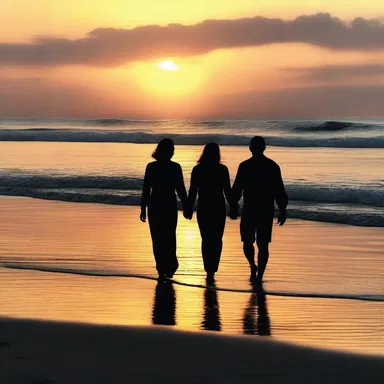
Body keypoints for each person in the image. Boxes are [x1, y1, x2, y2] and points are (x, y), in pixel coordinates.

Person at [230, 136, 288, 284]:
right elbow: (279, 190)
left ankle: (253, 268)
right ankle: (258, 273)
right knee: (262, 244)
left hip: (250, 209)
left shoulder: (245, 166)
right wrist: (282, 209)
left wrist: (233, 206)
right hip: (264, 210)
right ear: (264, 148)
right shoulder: (272, 166)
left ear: (250, 148)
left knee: (248, 242)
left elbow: (237, 189)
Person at [140, 138, 189, 281]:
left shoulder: (152, 167)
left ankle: (163, 268)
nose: (173, 152)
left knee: (159, 238)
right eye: (171, 150)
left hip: (156, 205)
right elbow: (180, 189)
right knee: (167, 237)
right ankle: (167, 267)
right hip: (167, 205)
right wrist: (186, 205)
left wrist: (143, 208)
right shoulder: (174, 167)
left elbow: (146, 190)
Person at [188, 143, 231, 282]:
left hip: (204, 206)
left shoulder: (198, 169)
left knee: (206, 239)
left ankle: (208, 269)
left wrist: (189, 207)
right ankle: (213, 268)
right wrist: (234, 206)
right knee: (217, 239)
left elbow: (193, 191)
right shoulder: (222, 169)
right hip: (218, 206)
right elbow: (227, 191)